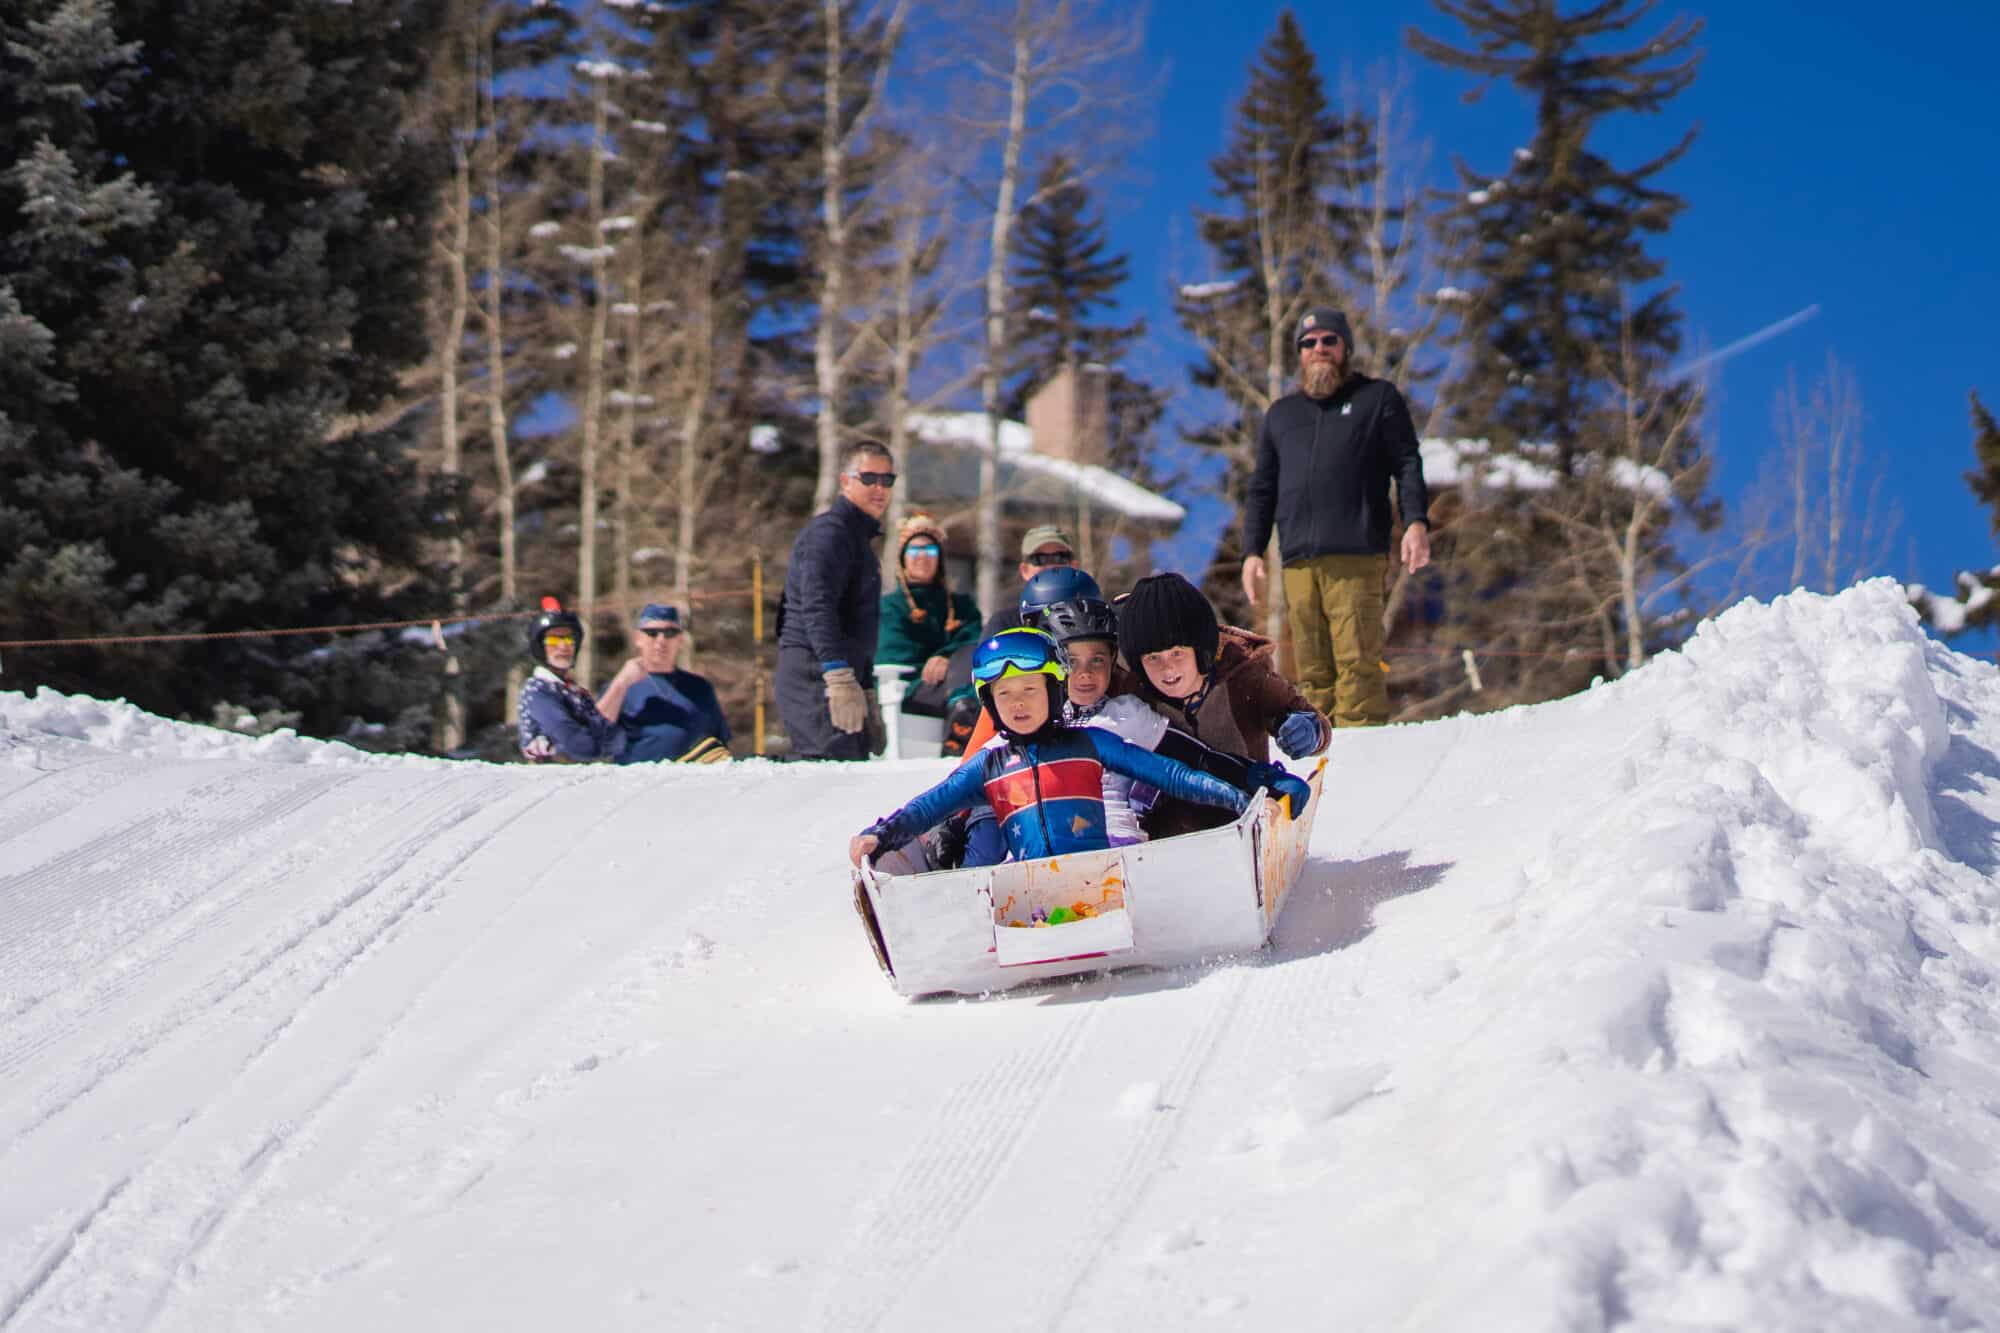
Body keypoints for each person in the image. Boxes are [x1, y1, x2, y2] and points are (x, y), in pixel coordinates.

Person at [847, 628, 1255, 870]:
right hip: (1031, 891)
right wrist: (879, 835)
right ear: (991, 705)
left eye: (1029, 690)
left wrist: (1240, 799)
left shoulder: (1091, 744)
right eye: (1005, 695)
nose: (1018, 703)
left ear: (1054, 692)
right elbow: (928, 807)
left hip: (1110, 871)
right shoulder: (990, 765)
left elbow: (1172, 775)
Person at [1240, 306, 1432, 728]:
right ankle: (1321, 754)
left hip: (1355, 554)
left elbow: (1407, 463)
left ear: (1345, 348)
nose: (1319, 349)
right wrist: (1253, 552)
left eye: (1329, 341)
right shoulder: (1282, 415)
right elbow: (1262, 488)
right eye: (1309, 343)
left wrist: (1416, 521)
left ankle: (1362, 754)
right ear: (1299, 354)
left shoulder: (1375, 398)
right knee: (1311, 671)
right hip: (1297, 561)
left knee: (1356, 662)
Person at [1039, 594, 1310, 846]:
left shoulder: (1125, 714)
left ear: (1112, 660)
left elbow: (1197, 758)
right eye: (1072, 662)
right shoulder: (1033, 722)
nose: (1085, 673)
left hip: (1115, 842)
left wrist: (1262, 779)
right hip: (1048, 847)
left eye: (1097, 660)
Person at [1118, 572, 1329, 838]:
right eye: (1153, 658)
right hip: (1170, 826)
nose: (1167, 667)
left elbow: (1313, 721)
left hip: (1248, 811)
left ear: (1200, 650)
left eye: (1177, 653)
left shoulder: (1245, 677)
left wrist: (1308, 730)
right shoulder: (1134, 693)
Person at [777, 440, 893, 760]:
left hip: (841, 672)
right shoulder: (830, 534)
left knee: (849, 772)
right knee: (827, 772)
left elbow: (857, 623)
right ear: (845, 481)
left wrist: (865, 686)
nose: (879, 488)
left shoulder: (857, 539)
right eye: (868, 478)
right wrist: (837, 675)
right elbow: (816, 607)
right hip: (815, 673)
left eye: (887, 480)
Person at [875, 512, 983, 753]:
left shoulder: (961, 605)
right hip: (915, 686)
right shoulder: (891, 606)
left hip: (960, 681)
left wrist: (945, 656)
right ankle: (962, 721)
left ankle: (963, 717)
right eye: (914, 551)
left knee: (980, 652)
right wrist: (938, 662)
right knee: (967, 674)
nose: (922, 557)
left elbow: (975, 637)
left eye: (930, 551)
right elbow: (892, 652)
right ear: (903, 559)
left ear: (940, 559)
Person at [596, 604, 731, 764]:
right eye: (652, 633)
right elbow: (593, 737)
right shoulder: (620, 688)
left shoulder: (700, 688)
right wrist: (621, 683)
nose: (661, 640)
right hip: (637, 783)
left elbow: (720, 743)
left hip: (689, 783)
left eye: (670, 633)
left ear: (680, 640)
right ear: (638, 639)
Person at [517, 598, 626, 763]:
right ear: (540, 647)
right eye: (553, 640)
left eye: (568, 639)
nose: (562, 647)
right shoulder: (537, 691)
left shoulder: (576, 692)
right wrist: (596, 747)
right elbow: (575, 743)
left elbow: (613, 738)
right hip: (549, 781)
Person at [977, 524, 1084, 639]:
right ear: (1024, 570)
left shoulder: (1094, 618)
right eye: (1039, 559)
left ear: (1074, 567)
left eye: (1060, 557)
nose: (1051, 566)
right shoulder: (1005, 623)